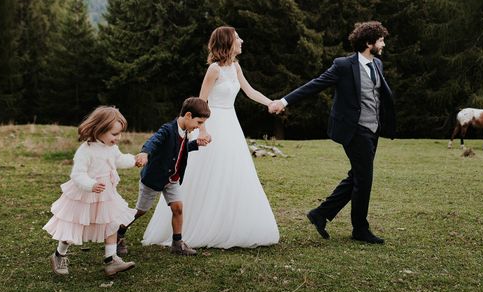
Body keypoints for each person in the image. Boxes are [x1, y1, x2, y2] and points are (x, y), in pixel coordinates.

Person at [142, 26, 279, 249]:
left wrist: (270, 103)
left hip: (231, 125)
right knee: (206, 173)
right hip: (212, 123)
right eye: (237, 38)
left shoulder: (235, 66)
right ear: (227, 43)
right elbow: (201, 101)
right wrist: (203, 130)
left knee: (233, 172)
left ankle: (229, 223)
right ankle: (194, 225)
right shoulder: (214, 69)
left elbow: (250, 91)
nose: (242, 40)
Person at [269, 21, 395, 244]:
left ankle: (320, 213)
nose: (384, 43)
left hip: (373, 129)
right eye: (381, 40)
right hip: (354, 129)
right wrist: (284, 101)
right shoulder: (344, 66)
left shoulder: (378, 65)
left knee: (357, 176)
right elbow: (315, 84)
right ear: (368, 43)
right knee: (364, 179)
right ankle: (360, 228)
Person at [43, 106, 139, 276]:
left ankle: (111, 260)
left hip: (105, 195)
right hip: (84, 195)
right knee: (73, 226)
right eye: (114, 134)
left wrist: (133, 160)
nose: (118, 138)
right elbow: (77, 174)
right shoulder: (86, 151)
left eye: (120, 134)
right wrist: (90, 185)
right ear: (99, 130)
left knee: (111, 223)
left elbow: (118, 160)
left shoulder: (111, 148)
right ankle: (59, 255)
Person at [116, 97, 211, 257]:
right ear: (188, 115)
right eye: (199, 122)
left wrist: (195, 144)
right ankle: (118, 234)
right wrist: (145, 153)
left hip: (172, 179)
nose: (200, 127)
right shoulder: (168, 130)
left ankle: (177, 243)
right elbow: (153, 141)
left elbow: (178, 149)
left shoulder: (186, 132)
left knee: (178, 208)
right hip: (154, 179)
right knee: (140, 211)